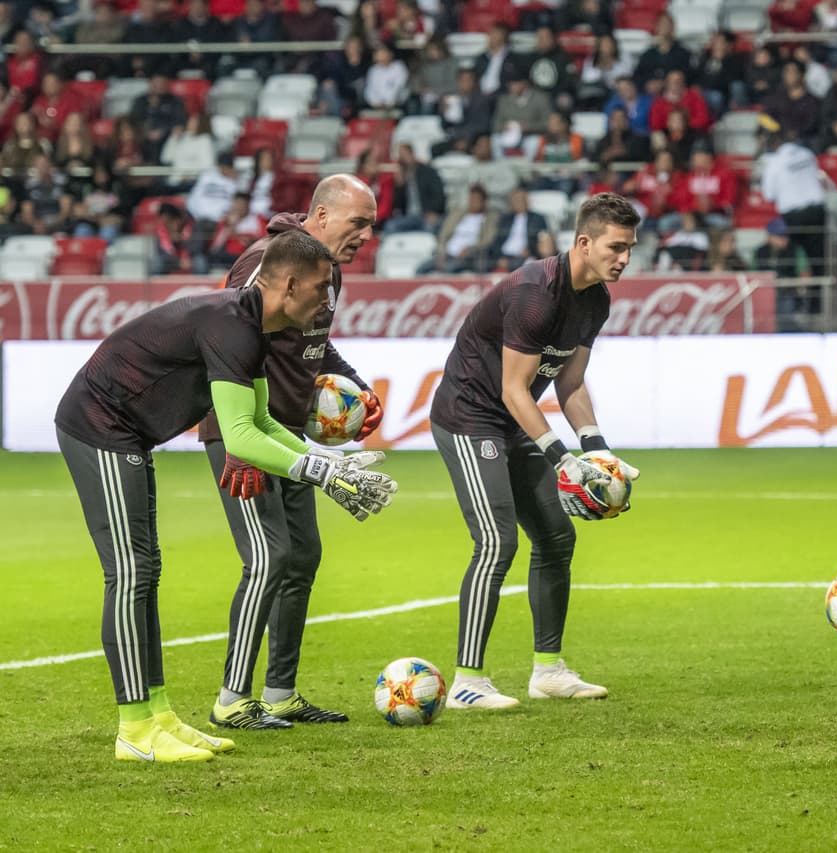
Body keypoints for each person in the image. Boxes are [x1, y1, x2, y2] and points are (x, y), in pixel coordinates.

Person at [55, 229, 398, 762]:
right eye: (321, 288)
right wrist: (323, 474)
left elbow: (262, 421)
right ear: (287, 285)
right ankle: (133, 729)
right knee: (129, 573)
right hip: (98, 425)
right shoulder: (234, 326)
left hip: (127, 434)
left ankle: (159, 717)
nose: (328, 301)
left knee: (145, 570)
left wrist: (332, 464)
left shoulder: (252, 329)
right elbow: (239, 437)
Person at [429, 192, 642, 710]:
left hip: (513, 422)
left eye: (631, 248)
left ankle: (548, 671)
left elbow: (570, 383)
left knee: (555, 537)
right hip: (469, 418)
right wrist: (563, 460)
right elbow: (514, 390)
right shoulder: (535, 293)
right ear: (584, 242)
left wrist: (599, 452)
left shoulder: (595, 299)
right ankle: (466, 682)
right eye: (616, 247)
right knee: (497, 543)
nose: (625, 258)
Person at [198, 175, 388, 730]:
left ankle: (280, 693)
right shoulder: (261, 260)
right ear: (323, 216)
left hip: (287, 438)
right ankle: (233, 698)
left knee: (302, 557)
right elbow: (224, 337)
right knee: (270, 557)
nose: (367, 236)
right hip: (243, 437)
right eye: (359, 223)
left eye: (372, 225)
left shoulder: (327, 270)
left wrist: (355, 385)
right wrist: (235, 446)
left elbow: (314, 342)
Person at [759, 115, 828, 277]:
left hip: (793, 216)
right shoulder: (807, 154)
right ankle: (817, 299)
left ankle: (798, 295)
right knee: (818, 259)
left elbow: (768, 195)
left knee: (794, 257)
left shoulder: (774, 162)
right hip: (817, 211)